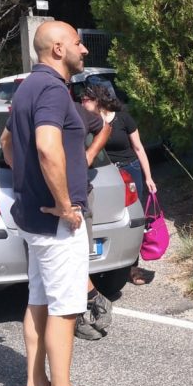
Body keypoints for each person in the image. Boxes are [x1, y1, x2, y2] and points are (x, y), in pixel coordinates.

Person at [0, 20, 114, 386]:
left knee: (39, 301)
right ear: (59, 49)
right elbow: (47, 148)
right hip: (56, 223)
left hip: (34, 218)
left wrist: (29, 184)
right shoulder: (51, 89)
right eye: (79, 44)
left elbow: (8, 143)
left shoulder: (26, 87)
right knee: (65, 309)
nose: (85, 50)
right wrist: (65, 205)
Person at [80, 83, 157, 285]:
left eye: (85, 99)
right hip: (107, 173)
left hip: (130, 170)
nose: (82, 102)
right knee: (105, 217)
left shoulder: (123, 119)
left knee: (131, 219)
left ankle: (132, 267)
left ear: (97, 100)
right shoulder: (89, 122)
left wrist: (148, 177)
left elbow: (138, 149)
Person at [73, 101, 114, 341]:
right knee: (66, 262)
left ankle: (86, 307)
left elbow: (105, 127)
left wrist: (89, 155)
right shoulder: (29, 111)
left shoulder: (76, 111)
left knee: (76, 258)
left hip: (78, 197)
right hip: (45, 203)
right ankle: (92, 301)